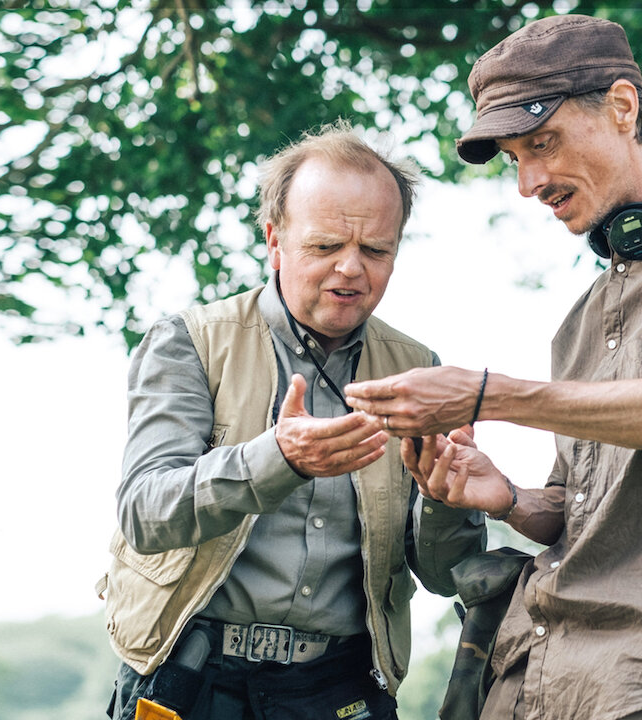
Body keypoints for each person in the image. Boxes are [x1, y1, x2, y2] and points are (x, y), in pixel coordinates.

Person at [345, 15, 642, 720]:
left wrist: (486, 395)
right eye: (513, 159)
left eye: (543, 143)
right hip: (524, 675)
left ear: (623, 108)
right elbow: (574, 510)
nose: (529, 182)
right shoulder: (582, 318)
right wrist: (505, 498)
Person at [98, 120, 487, 720]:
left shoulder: (419, 370)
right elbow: (145, 513)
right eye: (326, 246)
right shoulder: (190, 342)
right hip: (191, 681)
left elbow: (443, 575)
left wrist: (446, 500)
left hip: (343, 689)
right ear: (275, 241)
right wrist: (277, 459)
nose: (352, 269)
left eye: (376, 250)